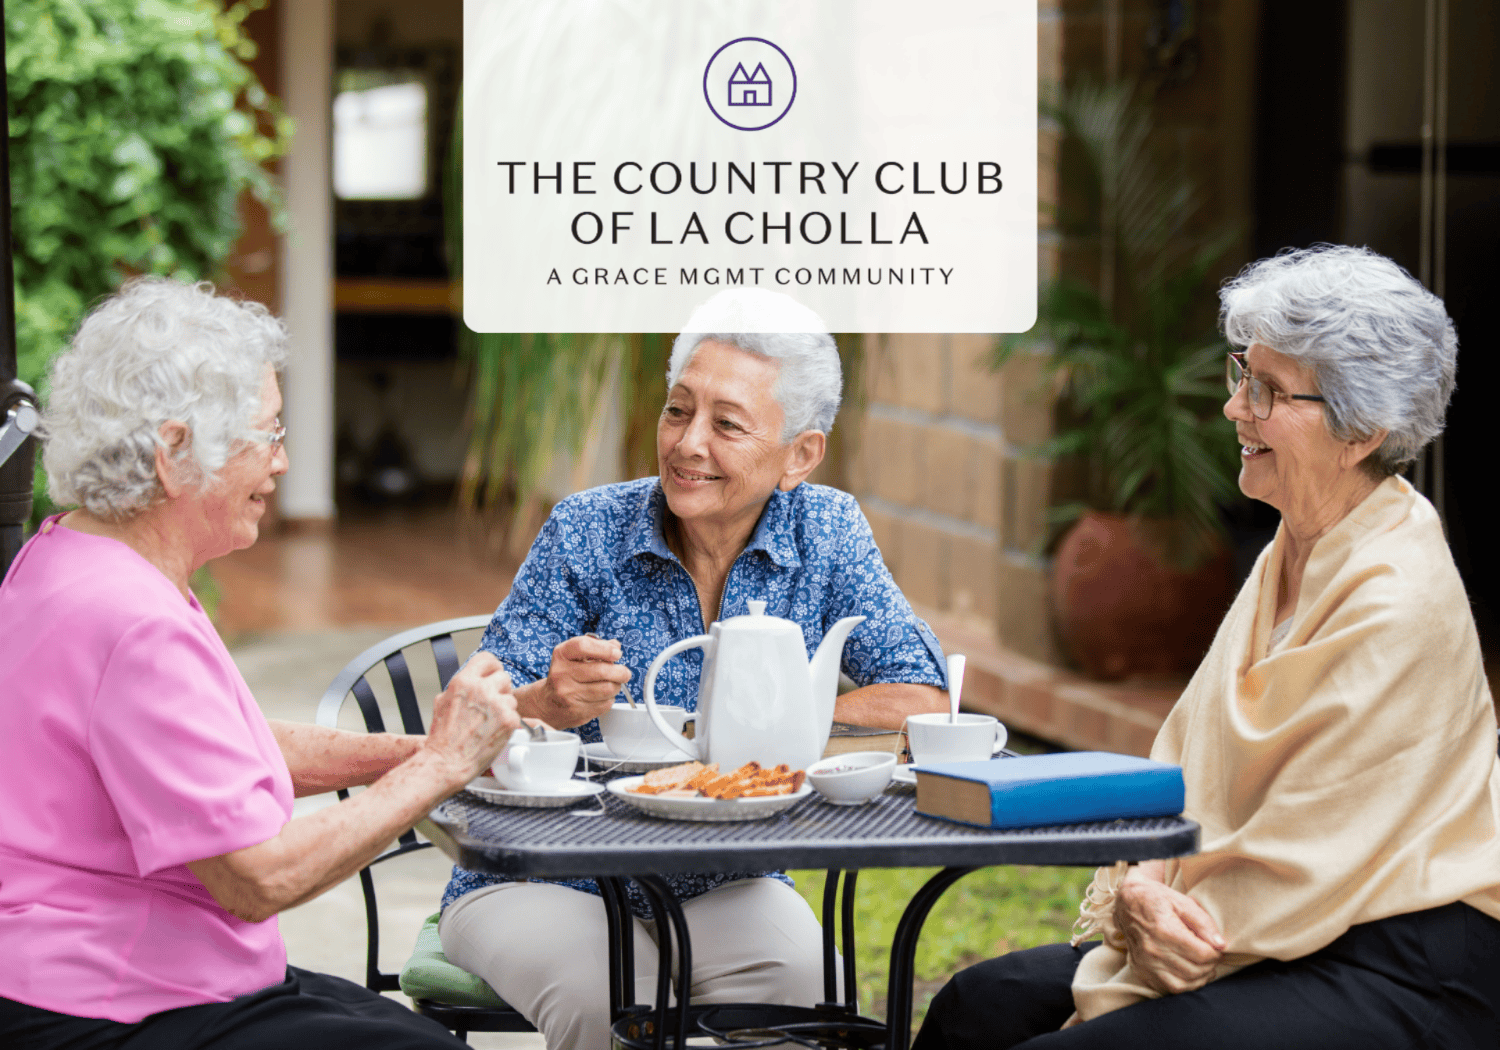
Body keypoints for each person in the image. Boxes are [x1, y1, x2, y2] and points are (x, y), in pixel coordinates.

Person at [913, 245, 1500, 1050]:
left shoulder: (1398, 593)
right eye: (1241, 375)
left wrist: (1151, 921)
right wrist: (1142, 887)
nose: (1235, 409)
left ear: (1362, 428)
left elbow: (1306, 855)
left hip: (1397, 957)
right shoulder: (1292, 550)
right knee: (977, 1005)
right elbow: (1194, 765)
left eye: (1267, 391)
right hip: (1271, 921)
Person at [0, 278, 521, 1050]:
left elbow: (215, 749)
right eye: (267, 436)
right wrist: (438, 767)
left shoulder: (73, 554)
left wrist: (434, 752)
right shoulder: (131, 619)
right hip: (117, 1003)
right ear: (174, 454)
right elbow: (259, 879)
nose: (282, 464)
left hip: (114, 979)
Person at [438, 287, 951, 1048]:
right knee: (611, 998)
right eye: (678, 410)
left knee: (809, 988)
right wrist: (546, 699)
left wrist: (765, 723)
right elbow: (469, 713)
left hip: (725, 879)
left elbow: (924, 696)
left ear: (799, 455)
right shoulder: (587, 529)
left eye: (727, 424)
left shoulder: (829, 530)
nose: (688, 444)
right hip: (542, 876)